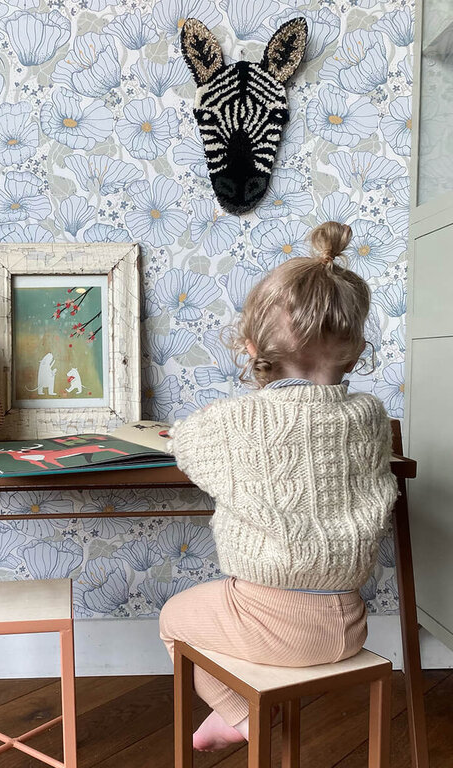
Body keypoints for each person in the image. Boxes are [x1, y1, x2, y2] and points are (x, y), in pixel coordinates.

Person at [160, 221, 398, 752]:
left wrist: (175, 434)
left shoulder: (235, 420)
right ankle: (237, 714)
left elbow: (189, 445)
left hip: (269, 621)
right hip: (350, 622)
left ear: (252, 347)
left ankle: (238, 713)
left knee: (174, 618)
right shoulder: (371, 416)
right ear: (356, 351)